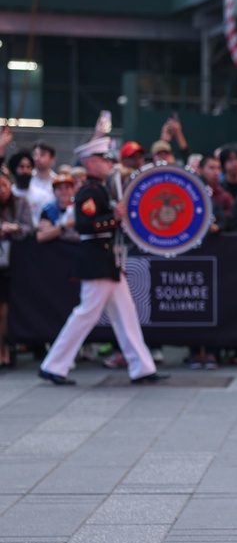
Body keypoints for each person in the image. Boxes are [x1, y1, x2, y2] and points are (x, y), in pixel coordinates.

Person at [38, 137, 168, 386]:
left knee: (126, 314)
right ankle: (54, 365)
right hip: (96, 259)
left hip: (106, 260)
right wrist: (114, 217)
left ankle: (142, 367)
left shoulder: (101, 188)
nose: (109, 163)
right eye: (103, 159)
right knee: (86, 314)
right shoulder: (90, 190)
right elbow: (85, 224)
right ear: (90, 162)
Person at [0, 166, 34, 368]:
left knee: (5, 310)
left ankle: (5, 348)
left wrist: (15, 228)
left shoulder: (20, 204)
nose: (2, 189)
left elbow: (30, 228)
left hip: (14, 264)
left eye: (4, 185)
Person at [7, 150, 51, 225]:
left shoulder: (42, 195)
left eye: (28, 167)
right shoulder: (8, 195)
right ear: (15, 169)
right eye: (22, 167)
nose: (25, 171)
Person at [35, 173, 78, 244]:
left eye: (67, 187)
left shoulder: (78, 208)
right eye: (59, 188)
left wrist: (52, 229)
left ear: (73, 190)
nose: (64, 192)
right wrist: (65, 226)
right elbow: (41, 237)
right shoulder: (48, 209)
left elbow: (79, 236)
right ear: (54, 191)